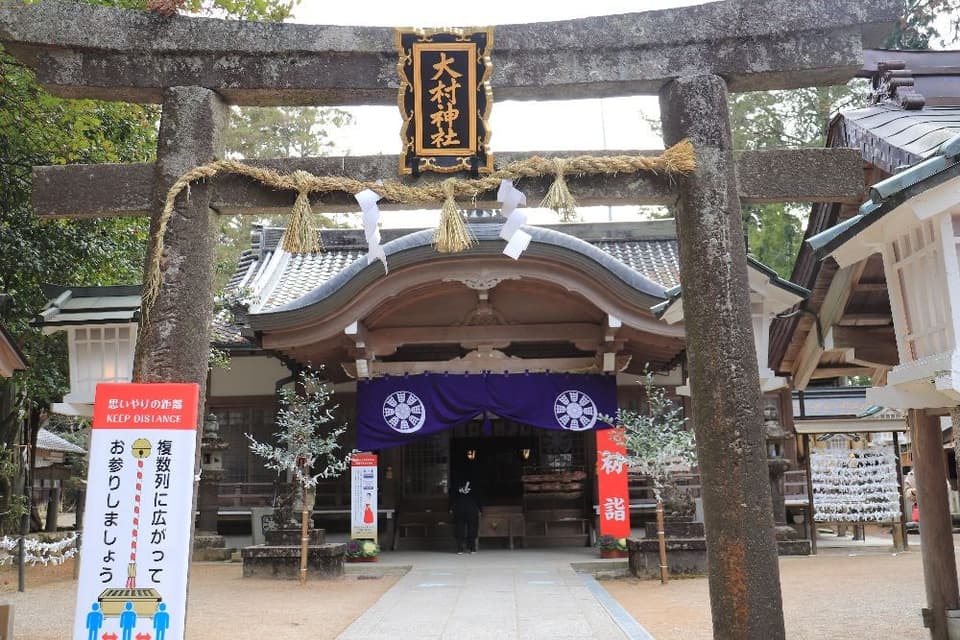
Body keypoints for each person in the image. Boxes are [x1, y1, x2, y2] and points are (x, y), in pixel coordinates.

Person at [450, 478, 482, 553]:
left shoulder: (456, 483)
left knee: (459, 528)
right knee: (472, 528)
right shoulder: (475, 484)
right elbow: (478, 497)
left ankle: (459, 548)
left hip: (459, 508)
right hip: (471, 508)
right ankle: (472, 548)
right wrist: (480, 509)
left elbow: (452, 497)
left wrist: (451, 508)